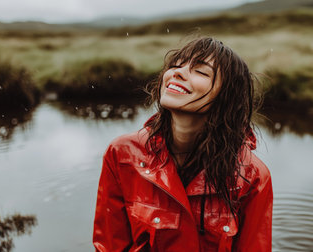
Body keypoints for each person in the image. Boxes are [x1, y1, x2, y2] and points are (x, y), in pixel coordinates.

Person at [93, 37, 273, 252]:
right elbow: (110, 247)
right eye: (176, 65)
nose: (177, 72)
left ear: (226, 97)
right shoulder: (122, 154)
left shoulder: (252, 176)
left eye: (201, 71)